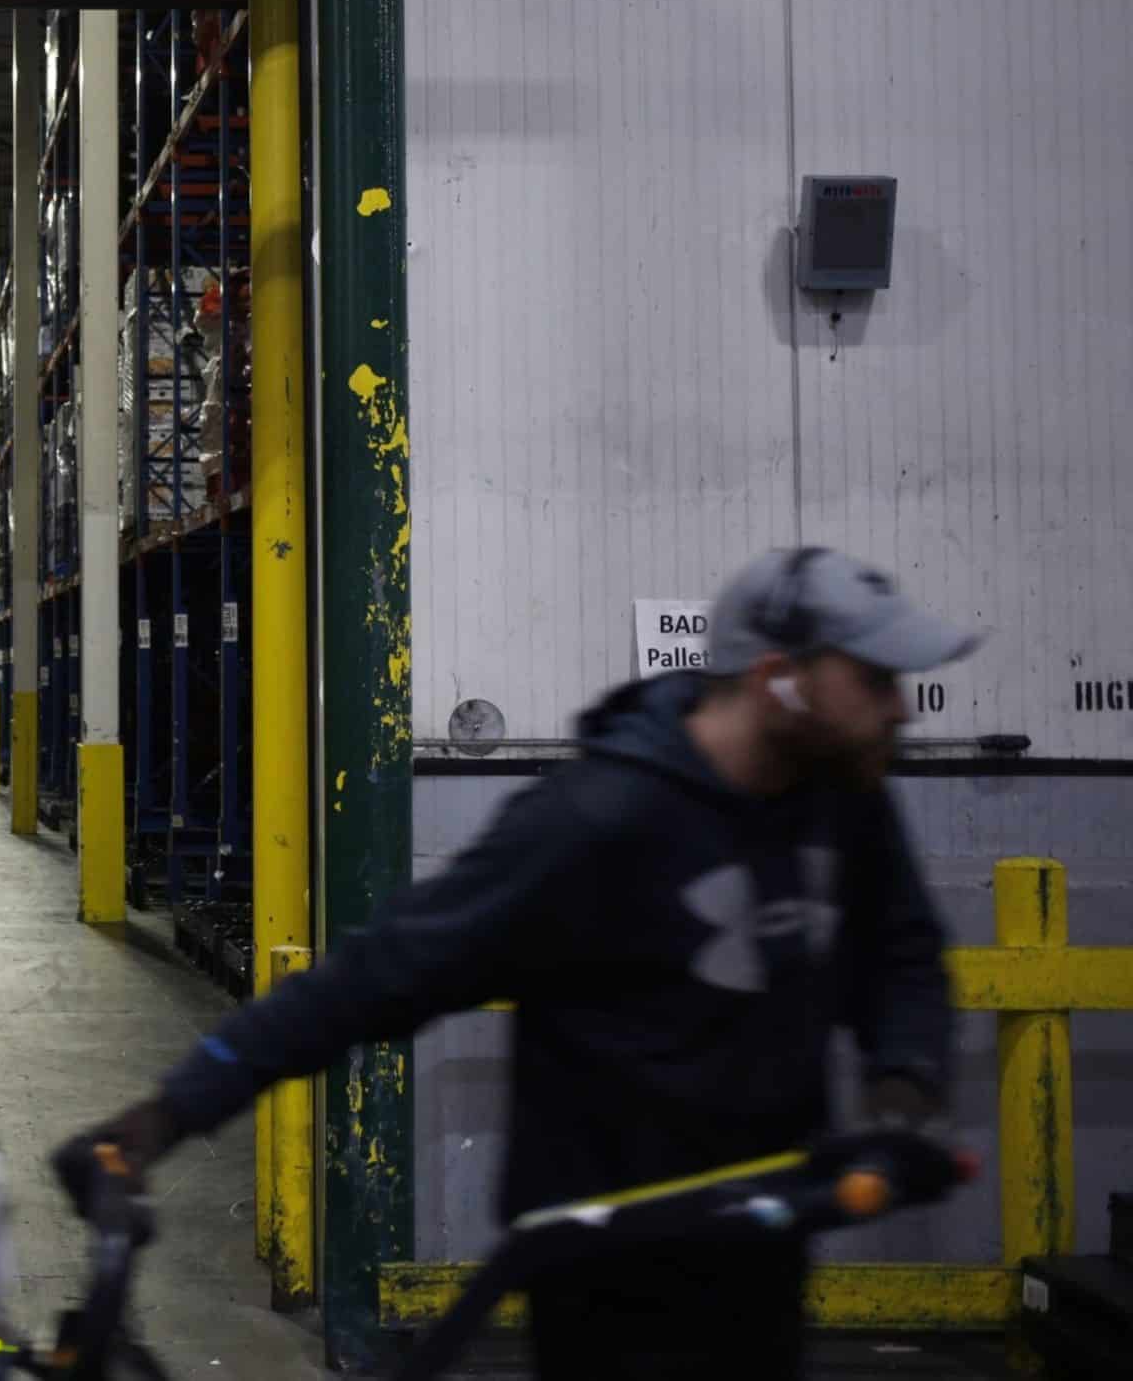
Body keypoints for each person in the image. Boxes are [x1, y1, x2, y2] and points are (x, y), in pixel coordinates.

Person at [63, 548, 974, 1379]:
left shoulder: (844, 801)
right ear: (780, 681)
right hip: (604, 1273)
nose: (898, 706)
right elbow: (379, 975)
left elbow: (901, 953)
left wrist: (904, 1088)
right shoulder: (593, 824)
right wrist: (167, 1113)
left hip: (764, 1242)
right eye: (874, 678)